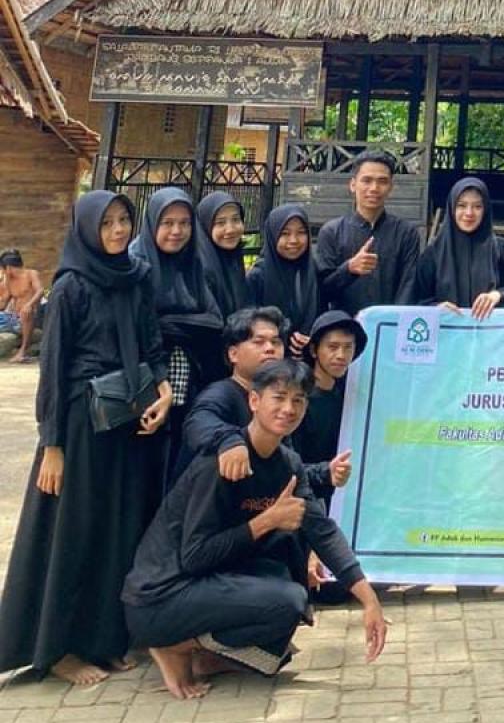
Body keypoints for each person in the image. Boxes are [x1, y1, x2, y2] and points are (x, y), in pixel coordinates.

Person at [122, 359, 388, 700]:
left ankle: (206, 654)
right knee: (287, 602)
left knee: (286, 581)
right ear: (254, 401)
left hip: (206, 581)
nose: (288, 409)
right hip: (159, 598)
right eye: (278, 397)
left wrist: (369, 601)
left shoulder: (288, 463)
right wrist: (267, 520)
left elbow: (322, 530)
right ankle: (174, 646)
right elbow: (194, 557)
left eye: (298, 400)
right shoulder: (219, 465)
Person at [0, 192, 172, 686]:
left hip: (127, 418)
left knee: (115, 530)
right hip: (77, 426)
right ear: (87, 228)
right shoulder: (71, 286)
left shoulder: (136, 279)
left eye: (124, 221)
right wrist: (52, 446)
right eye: (108, 223)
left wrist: (162, 391)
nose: (118, 231)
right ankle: (58, 649)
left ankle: (103, 639)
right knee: (70, 534)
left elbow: (151, 341)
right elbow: (52, 370)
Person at [183, 307, 346, 502]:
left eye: (276, 342)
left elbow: (284, 468)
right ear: (233, 354)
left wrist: (325, 473)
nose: (270, 348)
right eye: (259, 342)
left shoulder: (274, 405)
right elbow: (197, 422)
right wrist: (229, 440)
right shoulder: (221, 394)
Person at [131, 187, 224, 482]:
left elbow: (214, 322)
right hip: (145, 385)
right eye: (167, 223)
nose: (177, 231)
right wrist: (186, 325)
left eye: (184, 223)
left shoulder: (193, 265)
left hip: (188, 382)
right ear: (152, 224)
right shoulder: (135, 267)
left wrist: (166, 322)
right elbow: (138, 328)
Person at [314, 149, 420, 314]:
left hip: (389, 327)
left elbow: (409, 285)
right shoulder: (331, 232)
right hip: (344, 330)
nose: (374, 188)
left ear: (391, 187)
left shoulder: (406, 233)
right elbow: (321, 290)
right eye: (367, 180)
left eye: (382, 181)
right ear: (353, 185)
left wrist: (393, 321)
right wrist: (348, 269)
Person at [414, 178, 504, 318]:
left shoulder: (501, 249)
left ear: (485, 210)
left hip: (491, 334)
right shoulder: (433, 253)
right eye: (461, 205)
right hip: (446, 334)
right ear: (451, 208)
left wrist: (497, 295)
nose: (469, 213)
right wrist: (436, 308)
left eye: (477, 206)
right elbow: (417, 300)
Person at [293, 310, 367, 479]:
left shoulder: (350, 397)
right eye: (332, 347)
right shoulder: (297, 398)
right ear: (314, 350)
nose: (341, 356)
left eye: (348, 347)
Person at [247, 205, 320, 357]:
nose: (293, 240)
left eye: (301, 232)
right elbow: (249, 323)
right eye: (285, 234)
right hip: (268, 361)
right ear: (273, 236)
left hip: (308, 359)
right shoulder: (257, 276)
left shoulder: (312, 270)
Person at [195, 194, 250, 320]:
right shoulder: (200, 269)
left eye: (236, 220)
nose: (230, 229)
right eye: (220, 223)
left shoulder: (233, 258)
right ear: (205, 226)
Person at [0, 249, 43, 361]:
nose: (2, 272)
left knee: (26, 312)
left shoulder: (31, 274)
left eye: (2, 269)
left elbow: (40, 291)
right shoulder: (9, 281)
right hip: (14, 318)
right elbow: (4, 303)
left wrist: (29, 304)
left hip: (30, 316)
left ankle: (22, 352)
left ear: (8, 268)